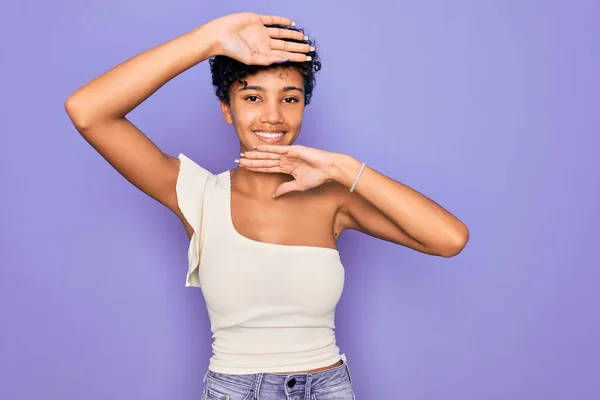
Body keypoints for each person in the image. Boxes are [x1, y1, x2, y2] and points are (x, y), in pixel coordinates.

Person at [64, 11, 469, 400]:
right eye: (253, 97)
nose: (273, 116)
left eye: (290, 99)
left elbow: (449, 239)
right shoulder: (199, 195)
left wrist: (343, 168)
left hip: (329, 388)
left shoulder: (334, 199)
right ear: (227, 108)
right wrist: (209, 39)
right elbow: (88, 112)